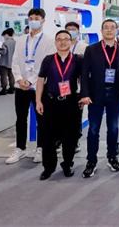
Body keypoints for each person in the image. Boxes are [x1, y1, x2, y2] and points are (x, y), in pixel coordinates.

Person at [79, 19, 119, 178]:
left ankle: (112, 157)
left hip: (115, 94)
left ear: (116, 30)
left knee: (113, 128)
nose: (109, 30)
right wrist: (84, 94)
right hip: (96, 95)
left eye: (112, 27)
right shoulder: (91, 50)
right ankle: (91, 161)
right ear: (101, 31)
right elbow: (84, 73)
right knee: (93, 129)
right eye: (106, 27)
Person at [7, 8, 56, 165]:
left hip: (39, 87)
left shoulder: (49, 41)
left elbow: (46, 64)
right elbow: (15, 61)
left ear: (43, 20)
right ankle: (20, 148)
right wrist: (20, 79)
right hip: (20, 86)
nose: (33, 21)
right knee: (21, 118)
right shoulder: (21, 40)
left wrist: (31, 80)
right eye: (31, 18)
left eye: (37, 18)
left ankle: (41, 148)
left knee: (42, 119)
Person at [35, 30, 82, 180]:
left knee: (70, 137)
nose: (63, 42)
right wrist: (38, 101)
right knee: (48, 137)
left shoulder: (78, 59)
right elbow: (40, 80)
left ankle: (67, 164)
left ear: (71, 41)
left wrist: (83, 96)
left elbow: (85, 80)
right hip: (51, 102)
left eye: (66, 39)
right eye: (59, 39)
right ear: (55, 43)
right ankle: (48, 167)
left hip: (70, 103)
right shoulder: (48, 60)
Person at [65, 21, 87, 152]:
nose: (71, 31)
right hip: (62, 87)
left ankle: (75, 140)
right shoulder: (60, 46)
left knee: (76, 116)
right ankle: (61, 140)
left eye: (73, 29)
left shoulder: (84, 47)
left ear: (78, 32)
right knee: (62, 115)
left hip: (77, 87)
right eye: (68, 29)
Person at [0, 28, 17, 95]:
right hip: (12, 62)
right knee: (11, 75)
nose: (4, 37)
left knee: (3, 76)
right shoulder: (15, 42)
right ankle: (12, 87)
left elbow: (4, 52)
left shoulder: (5, 43)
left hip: (4, 62)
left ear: (7, 35)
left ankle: (4, 89)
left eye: (4, 36)